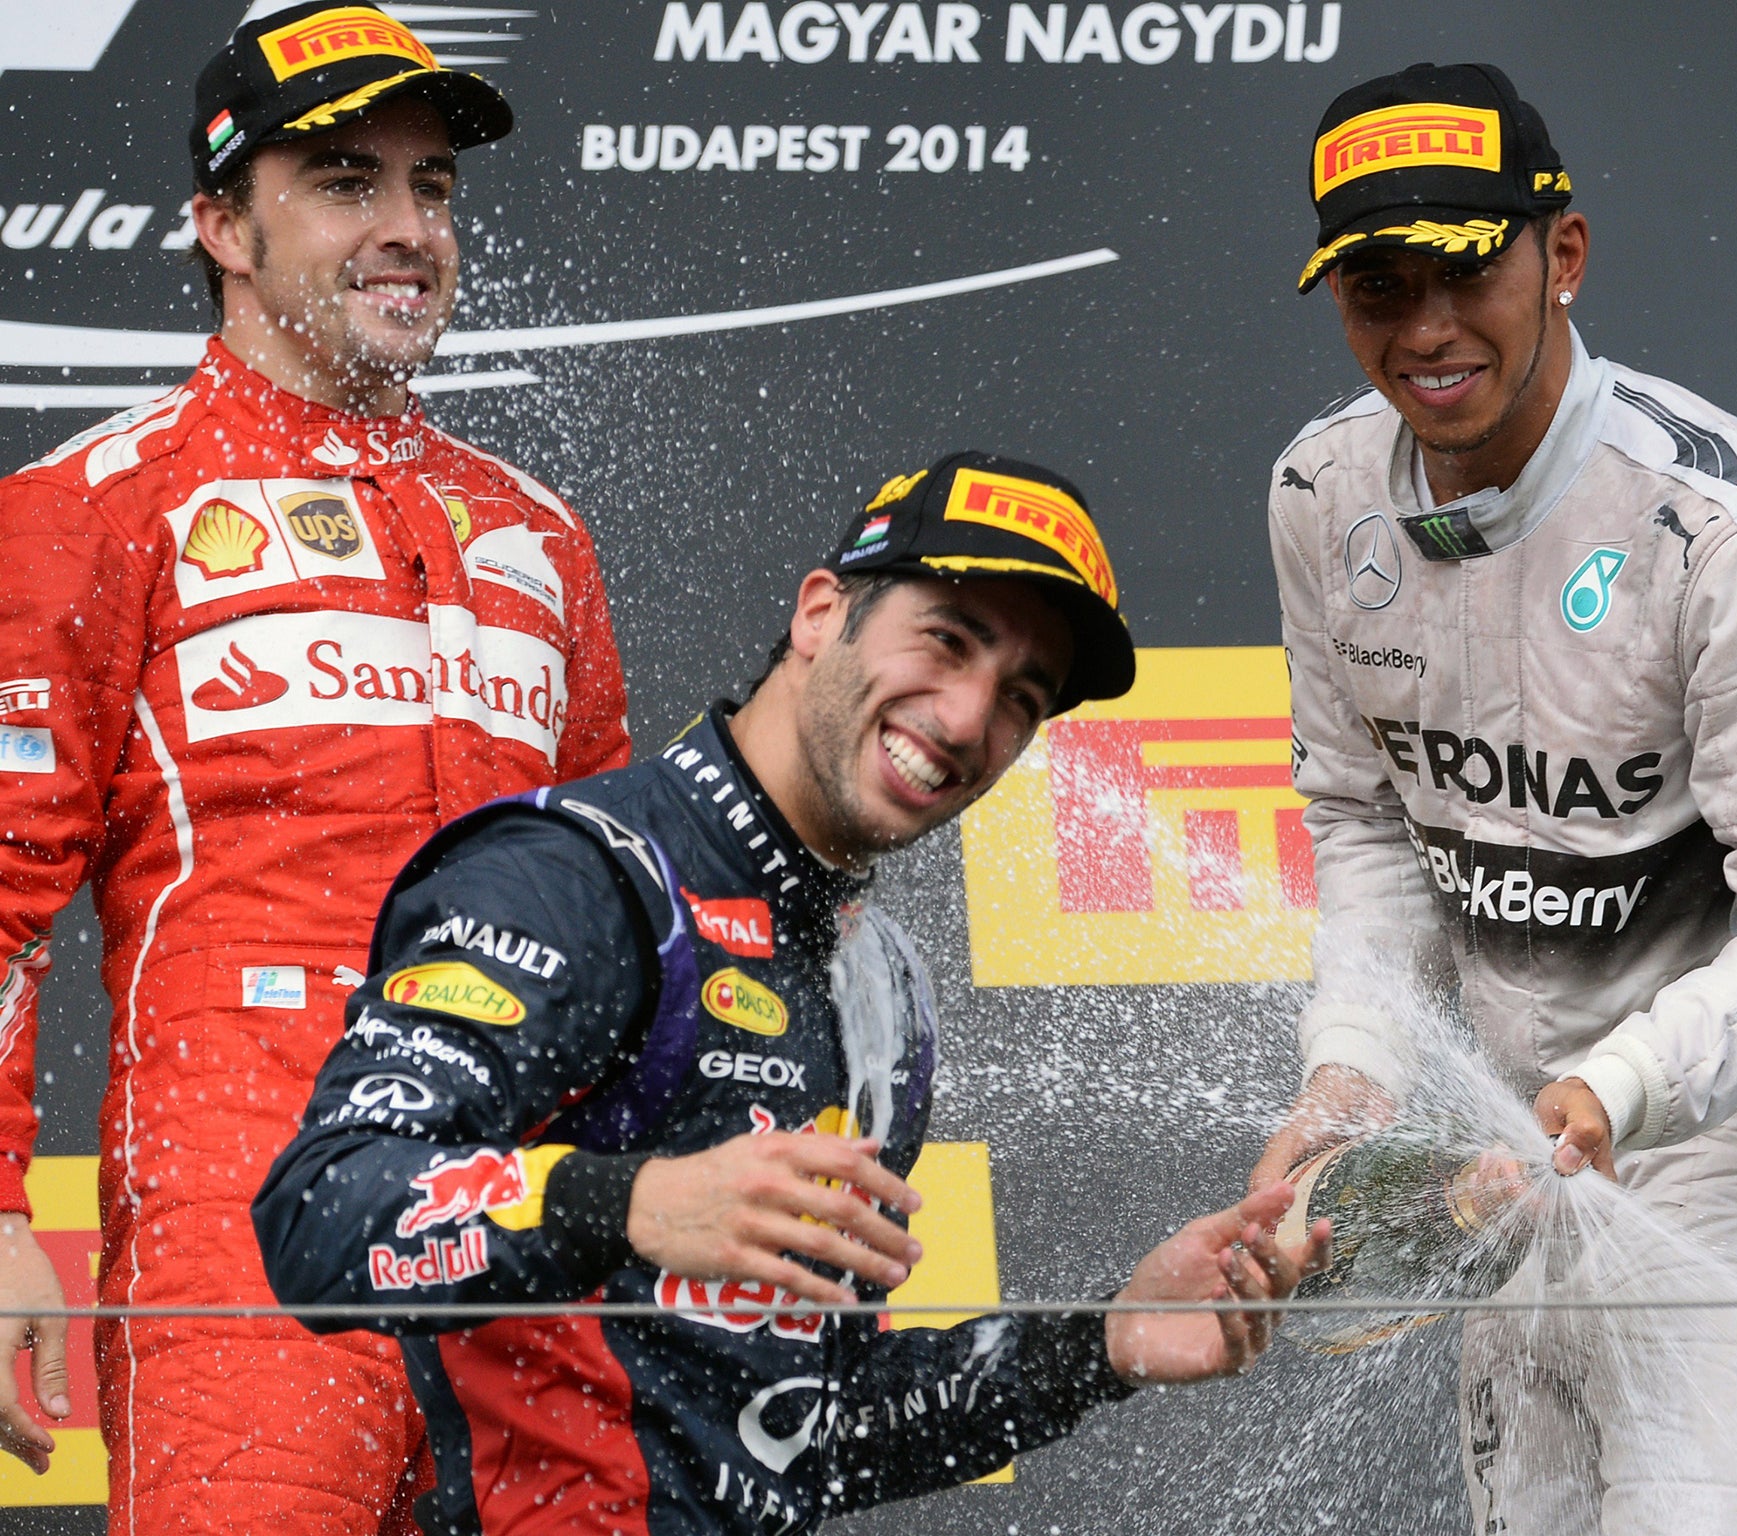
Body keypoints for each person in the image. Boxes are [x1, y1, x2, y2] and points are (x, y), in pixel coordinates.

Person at [255, 451, 1333, 1535]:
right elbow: (319, 1217)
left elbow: (812, 1433)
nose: (964, 721)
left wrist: (1097, 1341)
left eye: (1019, 698)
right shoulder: (580, 878)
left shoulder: (884, 992)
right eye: (946, 641)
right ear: (821, 612)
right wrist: (634, 1204)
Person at [1251, 62, 1737, 1536]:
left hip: (1733, 1140)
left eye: (1465, 269)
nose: (1424, 329)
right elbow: (1366, 819)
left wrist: (1620, 1091)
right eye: (1376, 284)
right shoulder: (1319, 493)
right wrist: (1351, 1080)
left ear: (1562, 256)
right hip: (1508, 1148)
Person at [0, 5, 630, 1528]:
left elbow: (620, 911)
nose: (408, 228)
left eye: (433, 189)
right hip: (249, 1221)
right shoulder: (95, 505)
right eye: (348, 182)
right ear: (221, 224)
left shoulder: (536, 531)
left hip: (529, 1234)